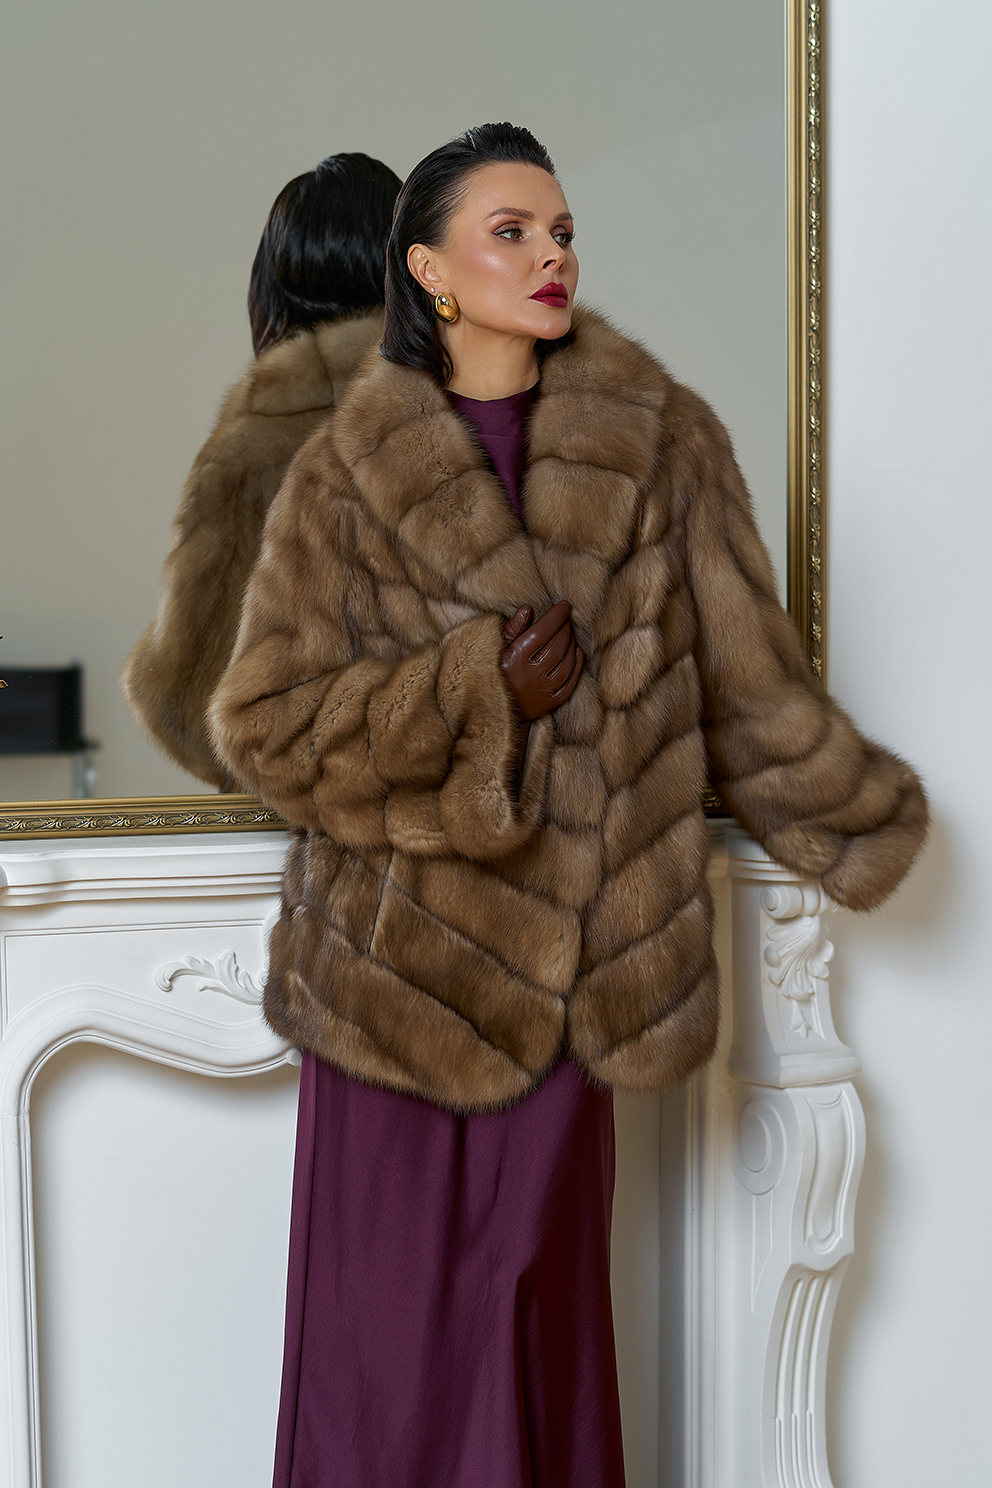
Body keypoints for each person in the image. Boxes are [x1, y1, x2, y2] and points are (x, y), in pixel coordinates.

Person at [209, 124, 928, 1487]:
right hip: (386, 985)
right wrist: (472, 688)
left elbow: (751, 686)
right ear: (426, 269)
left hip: (564, 973)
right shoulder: (343, 467)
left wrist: (856, 825)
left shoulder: (660, 440)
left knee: (533, 1322)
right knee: (379, 1361)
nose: (551, 256)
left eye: (561, 231)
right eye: (510, 232)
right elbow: (269, 725)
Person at [122, 152, 402, 787]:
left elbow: (189, 705)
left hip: (314, 828)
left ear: (269, 284)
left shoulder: (258, 449)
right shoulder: (480, 409)